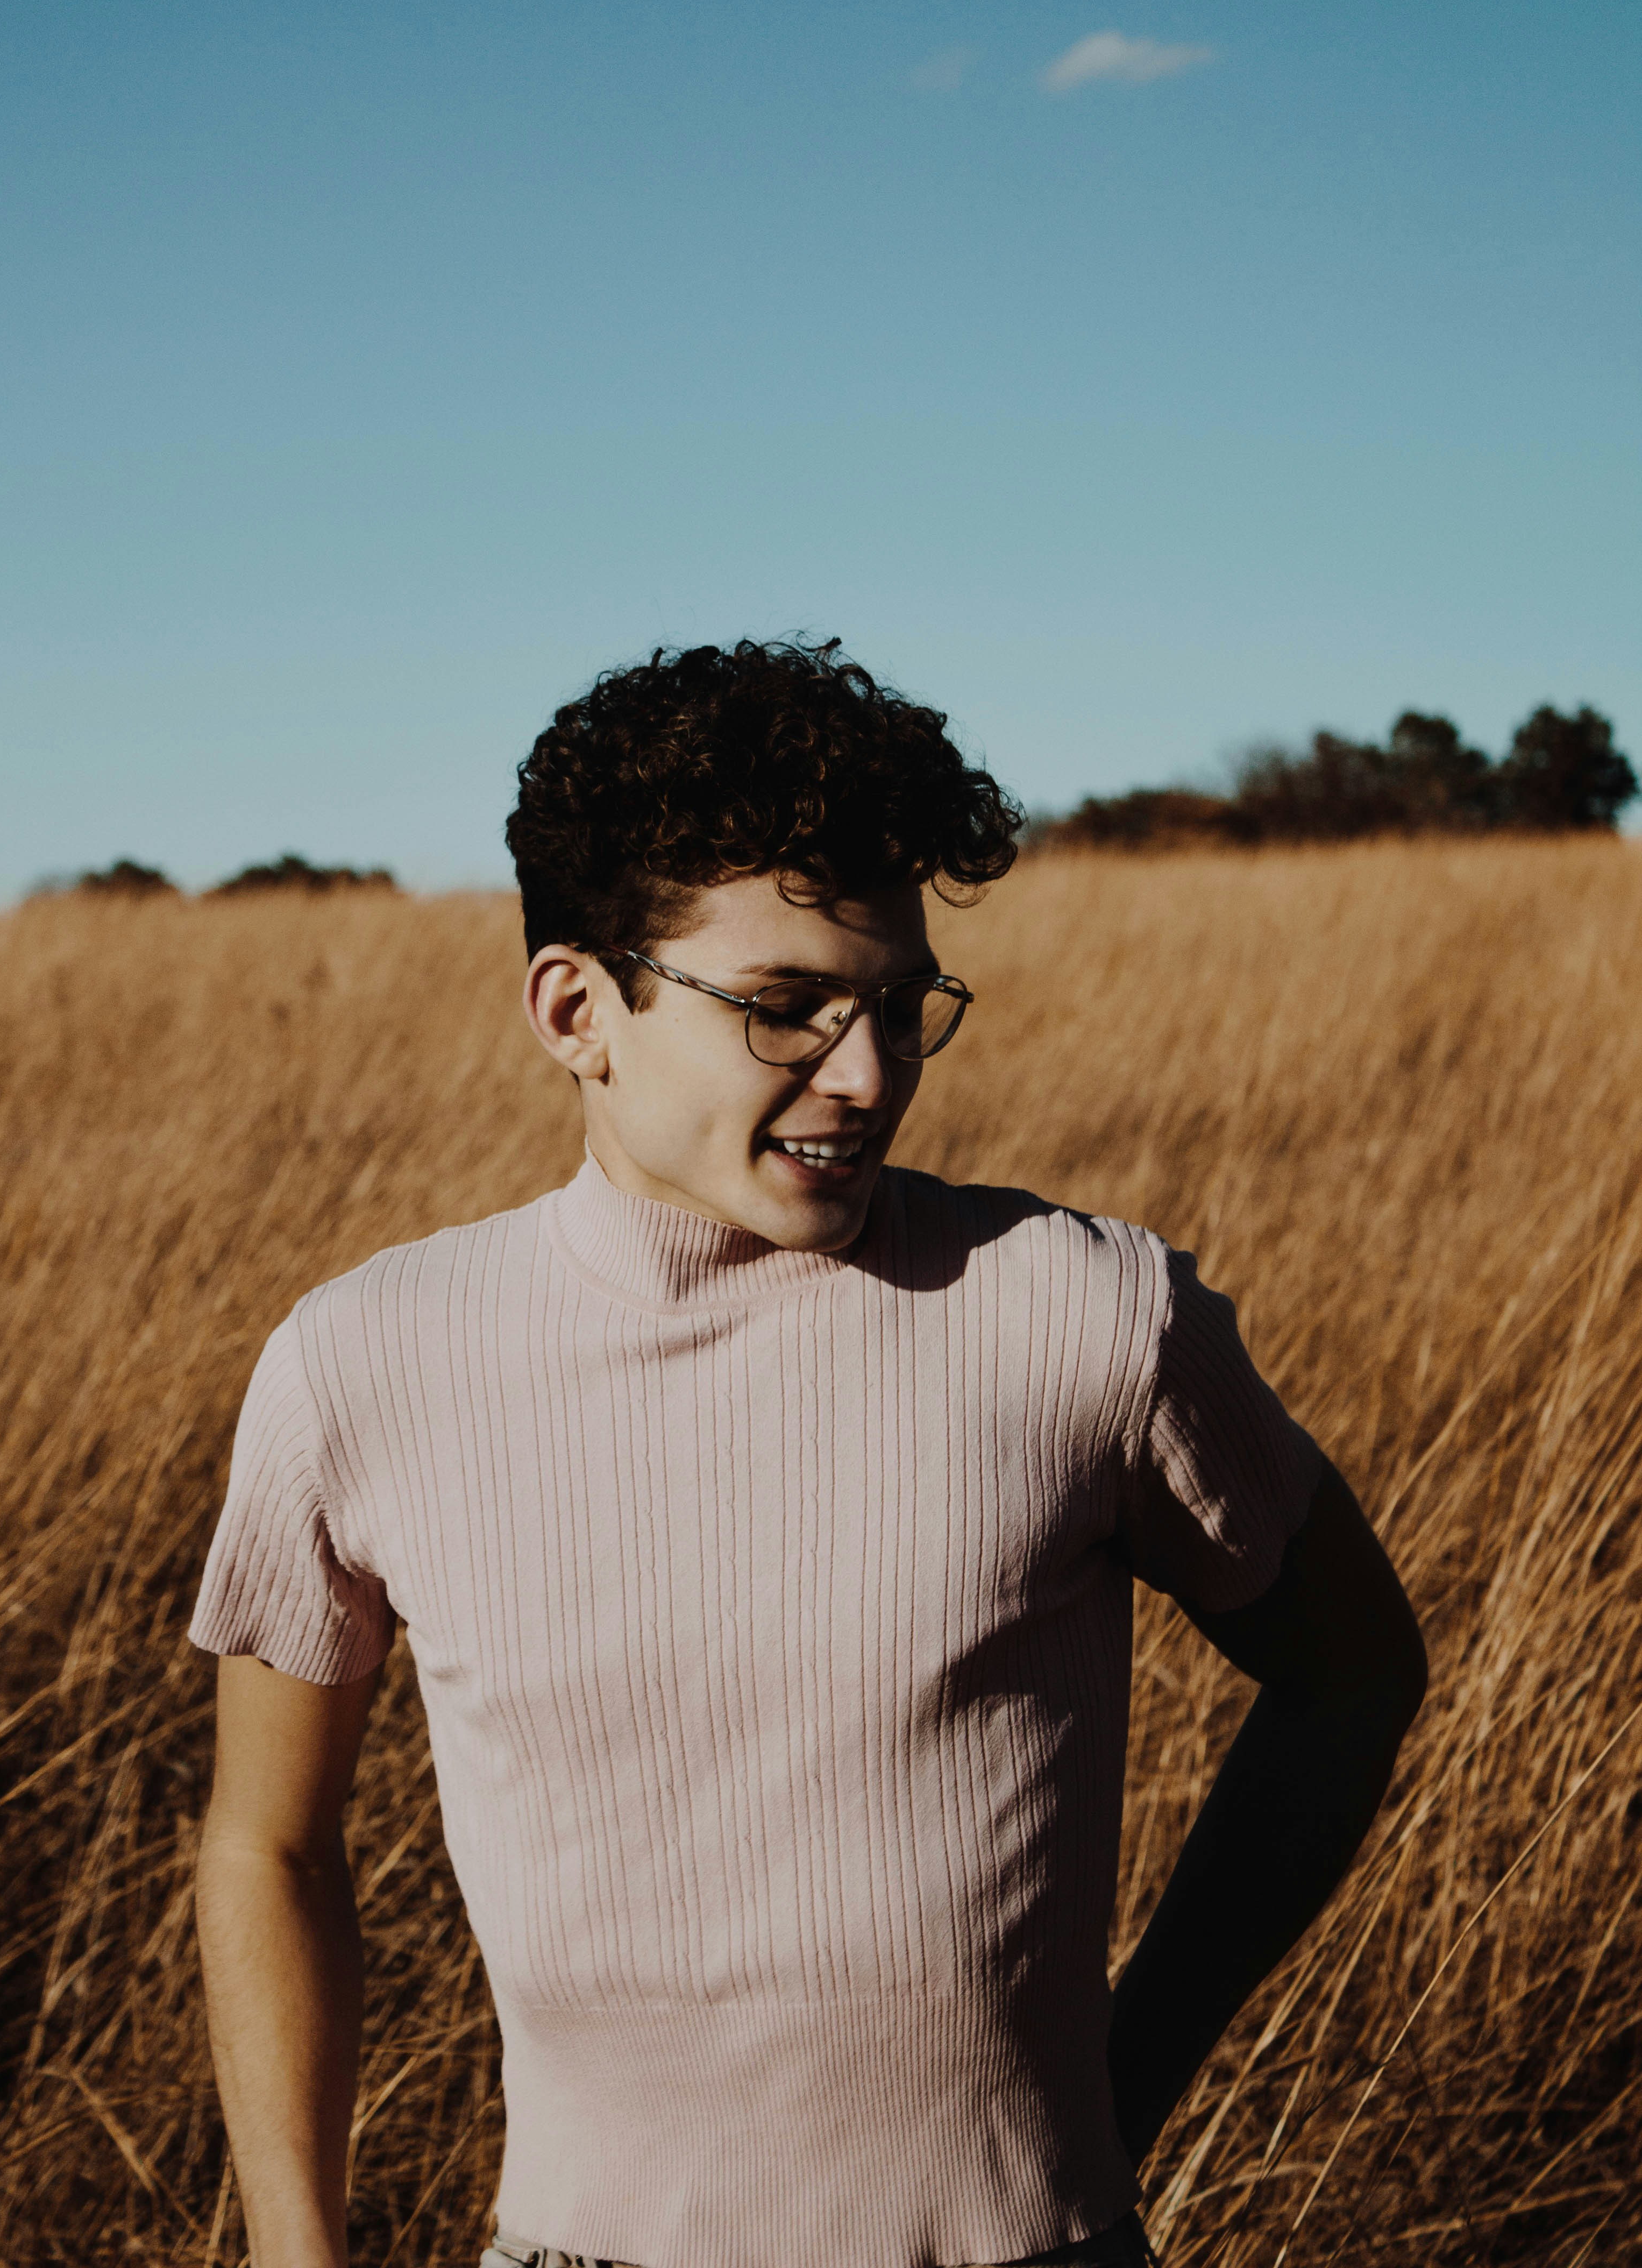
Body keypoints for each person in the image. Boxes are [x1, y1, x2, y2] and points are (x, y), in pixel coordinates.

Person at [190, 639, 1426, 2268]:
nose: (867, 1075)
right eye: (783, 1009)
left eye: (899, 1007)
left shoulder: (1082, 1313)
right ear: (579, 1009)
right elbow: (267, 1843)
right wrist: (297, 2253)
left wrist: (1131, 2078)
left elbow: (1352, 1669)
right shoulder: (362, 1365)